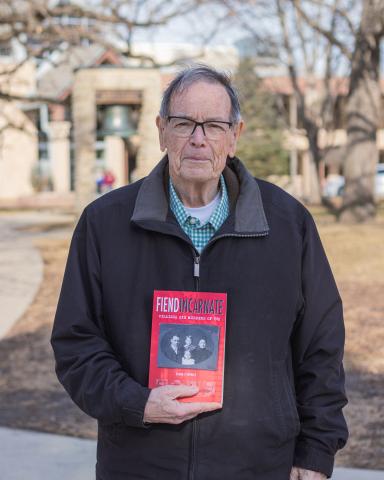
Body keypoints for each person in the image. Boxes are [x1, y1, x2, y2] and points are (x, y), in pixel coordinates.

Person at [51, 65, 348, 480]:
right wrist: (137, 402)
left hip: (258, 465)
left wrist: (316, 450)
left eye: (212, 125)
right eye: (184, 122)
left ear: (234, 135)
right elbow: (75, 343)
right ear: (160, 131)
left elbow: (321, 343)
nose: (198, 138)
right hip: (140, 464)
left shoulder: (287, 224)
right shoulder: (105, 224)